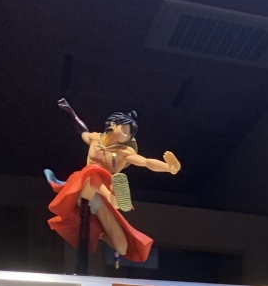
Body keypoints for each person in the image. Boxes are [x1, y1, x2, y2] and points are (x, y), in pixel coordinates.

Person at [46, 110, 180, 263]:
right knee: (92, 171)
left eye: (129, 134)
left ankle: (101, 230)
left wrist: (168, 168)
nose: (126, 135)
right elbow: (83, 131)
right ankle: (113, 198)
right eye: (124, 130)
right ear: (113, 124)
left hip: (98, 197)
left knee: (122, 247)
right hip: (82, 188)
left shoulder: (124, 152)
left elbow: (146, 162)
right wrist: (71, 112)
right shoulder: (95, 139)